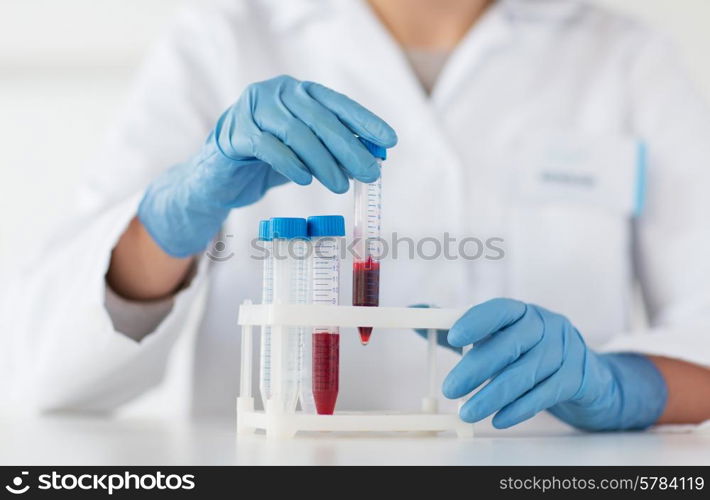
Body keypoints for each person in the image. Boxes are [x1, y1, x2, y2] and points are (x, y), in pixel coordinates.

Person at [8, 0, 710, 430]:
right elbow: (54, 372)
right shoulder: (220, 38)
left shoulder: (625, 57)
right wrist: (173, 219)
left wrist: (627, 388)